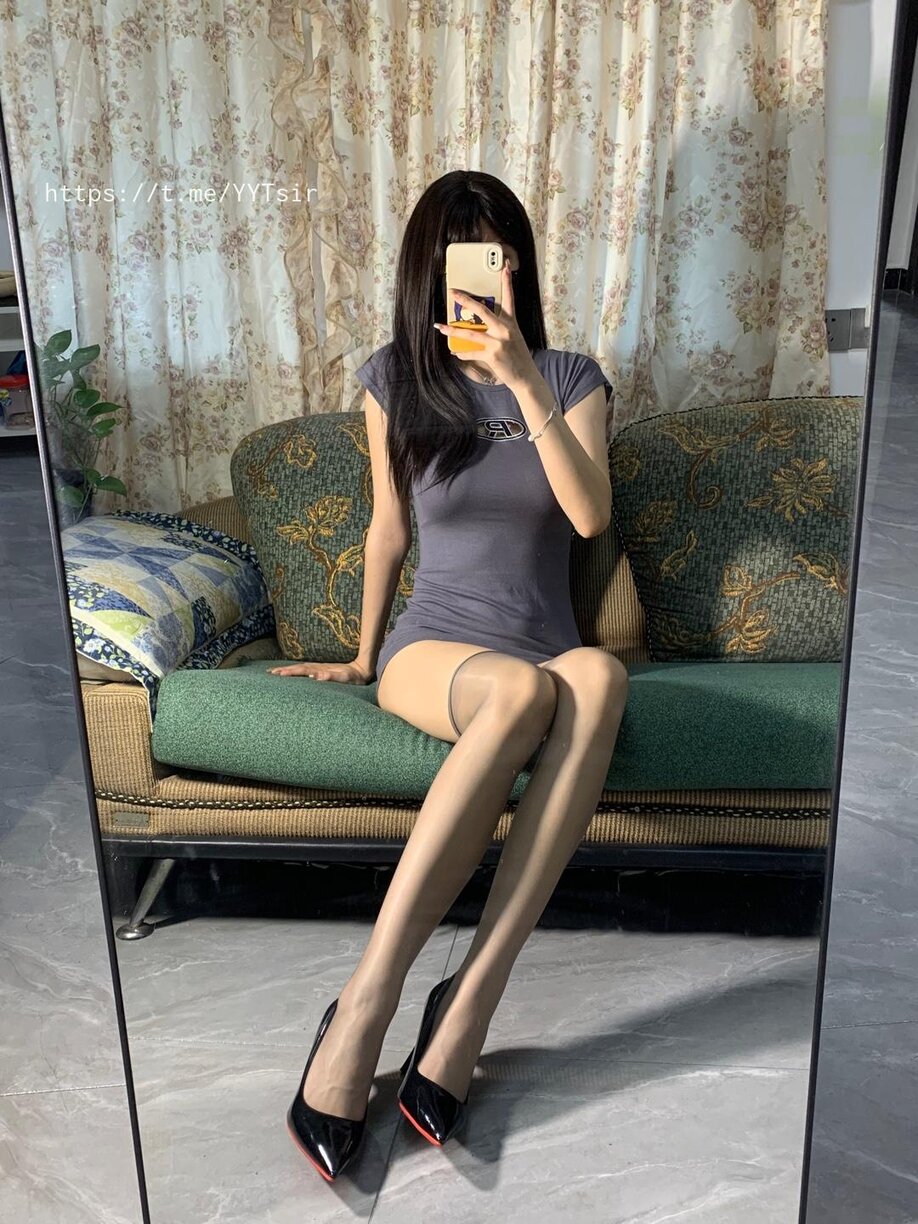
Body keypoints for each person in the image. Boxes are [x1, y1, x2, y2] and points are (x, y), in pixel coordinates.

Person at [275, 169, 630, 1182]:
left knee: (597, 679)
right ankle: (368, 1001)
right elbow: (389, 529)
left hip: (543, 643)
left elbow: (589, 517)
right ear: (427, 272)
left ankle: (470, 999)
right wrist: (360, 653)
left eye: (500, 255)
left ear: (519, 267)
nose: (483, 276)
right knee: (521, 692)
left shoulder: (570, 378)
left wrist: (523, 383)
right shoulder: (394, 380)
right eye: (463, 257)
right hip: (438, 648)